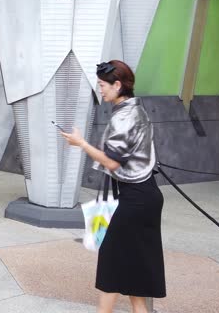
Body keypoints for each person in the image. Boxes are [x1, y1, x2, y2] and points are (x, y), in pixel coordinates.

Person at [61, 60, 166, 313]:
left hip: (134, 200)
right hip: (145, 195)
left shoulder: (124, 117)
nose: (101, 90)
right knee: (134, 274)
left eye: (102, 85)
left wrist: (81, 143)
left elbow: (112, 162)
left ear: (117, 85)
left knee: (112, 267)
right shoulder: (137, 110)